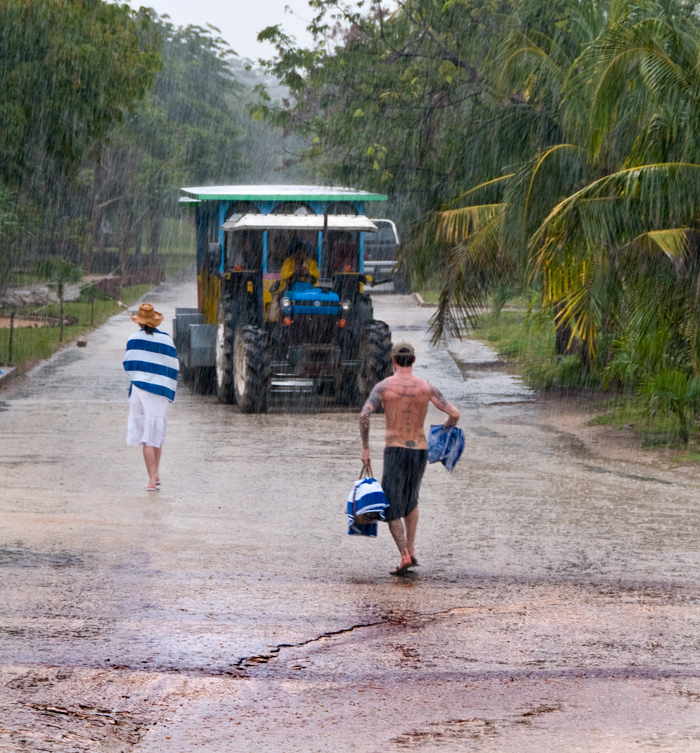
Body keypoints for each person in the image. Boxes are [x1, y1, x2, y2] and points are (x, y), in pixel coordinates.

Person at [360, 341, 460, 575]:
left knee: (391, 505)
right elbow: (454, 413)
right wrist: (444, 430)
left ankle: (404, 555)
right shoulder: (426, 387)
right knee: (411, 500)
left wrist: (365, 449)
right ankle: (412, 548)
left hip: (395, 449)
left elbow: (365, 414)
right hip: (419, 449)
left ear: (393, 361)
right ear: (413, 361)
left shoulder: (383, 387)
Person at [123, 303, 179, 492]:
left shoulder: (133, 339)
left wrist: (142, 377)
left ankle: (151, 481)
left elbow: (129, 364)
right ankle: (155, 473)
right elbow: (172, 364)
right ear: (154, 321)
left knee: (147, 437)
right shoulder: (166, 340)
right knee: (156, 432)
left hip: (140, 390)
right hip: (161, 391)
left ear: (139, 321)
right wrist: (163, 383)